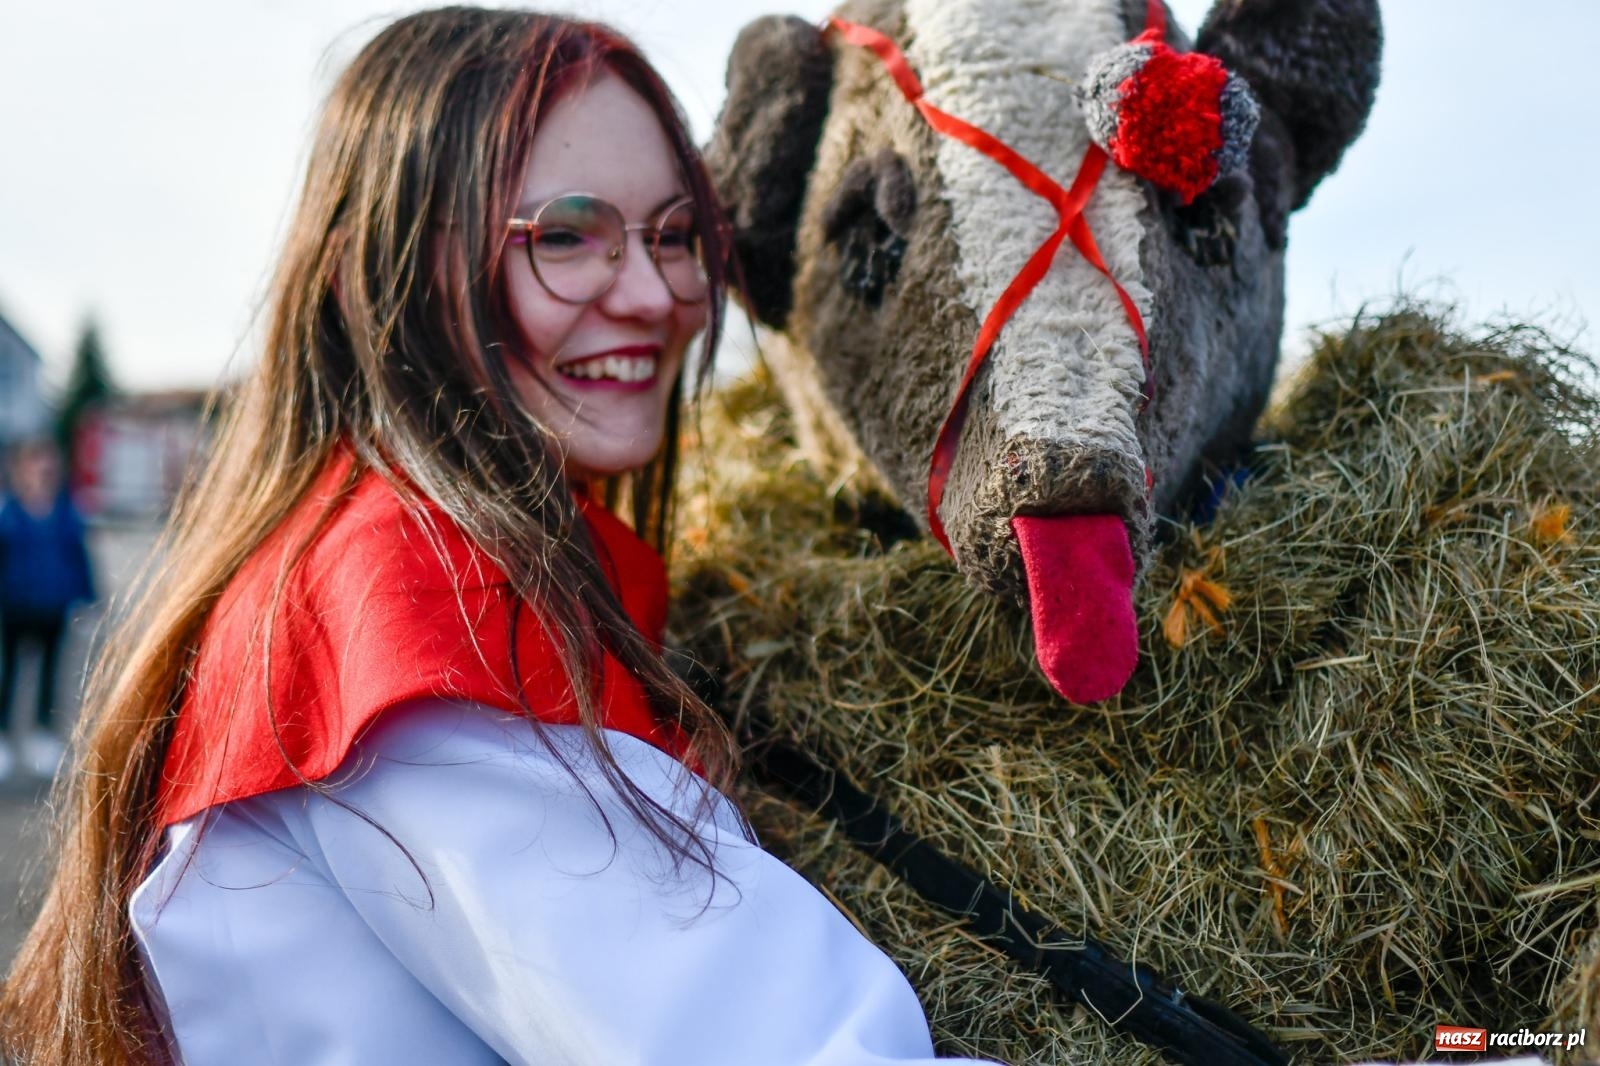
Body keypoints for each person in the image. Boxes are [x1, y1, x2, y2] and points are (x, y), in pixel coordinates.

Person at [0, 10, 1003, 1065]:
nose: (656, 294)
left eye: (674, 234)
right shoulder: (413, 598)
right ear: (372, 273)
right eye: (565, 234)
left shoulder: (371, 546)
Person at [0, 437, 95, 782]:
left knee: (49, 675)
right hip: (14, 608)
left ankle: (42, 736)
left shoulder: (67, 513)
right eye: (34, 465)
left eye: (48, 466)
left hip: (53, 609)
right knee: (8, 675)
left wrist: (86, 598)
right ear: (22, 470)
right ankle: (5, 740)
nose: (42, 473)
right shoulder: (8, 514)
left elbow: (80, 561)